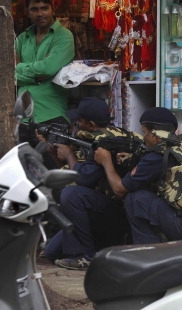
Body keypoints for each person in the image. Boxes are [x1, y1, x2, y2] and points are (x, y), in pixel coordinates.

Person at [94, 107, 182, 244]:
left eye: (144, 132)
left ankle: (150, 257)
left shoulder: (158, 154)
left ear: (154, 134)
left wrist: (106, 161)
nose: (143, 137)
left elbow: (119, 189)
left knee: (135, 199)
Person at [45, 98, 136, 270]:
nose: (77, 125)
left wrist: (70, 156)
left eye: (79, 121)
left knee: (71, 194)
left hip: (116, 215)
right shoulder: (115, 134)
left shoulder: (103, 143)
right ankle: (83, 250)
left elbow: (84, 178)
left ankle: (85, 255)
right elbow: (70, 174)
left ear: (91, 124)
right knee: (51, 253)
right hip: (100, 210)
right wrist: (53, 153)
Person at [16, 0, 75, 128]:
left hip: (52, 114)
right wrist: (37, 75)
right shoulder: (22, 38)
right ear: (27, 12)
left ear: (52, 8)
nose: (40, 13)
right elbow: (6, 72)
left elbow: (47, 69)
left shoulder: (63, 36)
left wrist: (19, 68)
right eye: (34, 9)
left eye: (44, 8)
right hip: (23, 117)